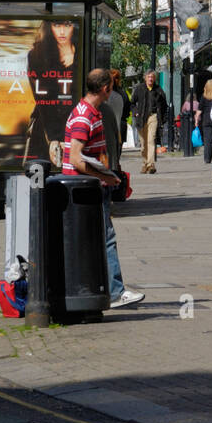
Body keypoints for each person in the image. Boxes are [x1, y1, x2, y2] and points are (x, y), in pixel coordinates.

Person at [64, 68, 144, 309]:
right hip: (87, 188)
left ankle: (102, 288)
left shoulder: (91, 112)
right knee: (106, 239)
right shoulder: (84, 117)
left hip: (91, 186)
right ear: (105, 89)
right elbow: (77, 159)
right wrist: (103, 177)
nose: (113, 90)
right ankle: (116, 291)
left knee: (98, 239)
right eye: (111, 86)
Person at [26, 19, 78, 164]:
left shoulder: (82, 52)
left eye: (67, 25)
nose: (62, 32)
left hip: (77, 126)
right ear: (50, 28)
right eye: (57, 25)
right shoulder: (37, 55)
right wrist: (55, 136)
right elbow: (43, 100)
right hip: (46, 128)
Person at [130, 69, 167, 174]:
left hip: (153, 117)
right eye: (149, 77)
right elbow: (132, 103)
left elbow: (164, 105)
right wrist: (136, 113)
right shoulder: (139, 89)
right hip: (141, 118)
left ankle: (151, 165)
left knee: (151, 140)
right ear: (145, 78)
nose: (151, 79)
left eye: (152, 77)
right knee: (143, 144)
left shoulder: (158, 90)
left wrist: (162, 118)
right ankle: (145, 163)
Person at [197, 79, 212, 165]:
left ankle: (207, 158)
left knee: (208, 140)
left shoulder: (204, 96)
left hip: (206, 121)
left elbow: (199, 110)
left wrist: (196, 120)